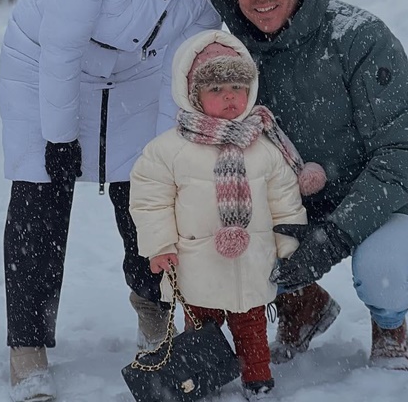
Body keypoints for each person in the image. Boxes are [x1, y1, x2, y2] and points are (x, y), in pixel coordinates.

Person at [0, 0, 236, 401]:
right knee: (41, 193)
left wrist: (163, 162)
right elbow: (60, 50)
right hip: (43, 64)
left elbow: (175, 75)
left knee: (144, 192)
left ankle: (152, 307)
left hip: (133, 74)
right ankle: (27, 345)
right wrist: (59, 139)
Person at [208, 0, 408, 370]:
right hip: (292, 201)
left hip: (385, 197)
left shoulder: (360, 37)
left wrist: (332, 237)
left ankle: (389, 325)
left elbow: (401, 154)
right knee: (222, 237)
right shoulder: (233, 55)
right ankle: (302, 306)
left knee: (384, 276)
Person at [128, 29, 321, 399]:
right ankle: (200, 379)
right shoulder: (168, 150)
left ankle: (257, 379)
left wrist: (289, 246)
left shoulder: (263, 147)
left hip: (251, 265)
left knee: (252, 329)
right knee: (202, 331)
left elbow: (284, 199)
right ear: (191, 93)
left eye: (237, 86)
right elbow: (150, 201)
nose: (230, 97)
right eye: (216, 89)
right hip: (196, 267)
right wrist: (160, 244)